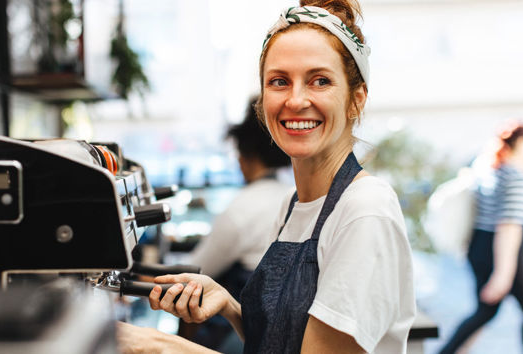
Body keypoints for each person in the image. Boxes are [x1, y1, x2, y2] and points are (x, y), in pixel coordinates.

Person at [117, 0, 416, 352]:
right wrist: (228, 305)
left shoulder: (365, 211)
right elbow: (284, 342)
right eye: (279, 81)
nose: (296, 100)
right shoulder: (294, 206)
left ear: (356, 100)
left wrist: (159, 345)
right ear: (263, 101)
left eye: (320, 81)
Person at [185, 97, 292, 351]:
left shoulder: (241, 209)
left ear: (247, 155)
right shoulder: (293, 195)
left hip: (244, 335)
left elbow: (195, 270)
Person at [439, 121, 523, 354]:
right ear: (522, 144)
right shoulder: (517, 177)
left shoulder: (489, 169)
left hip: (481, 248)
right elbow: (509, 225)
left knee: (487, 310)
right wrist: (502, 274)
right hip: (507, 251)